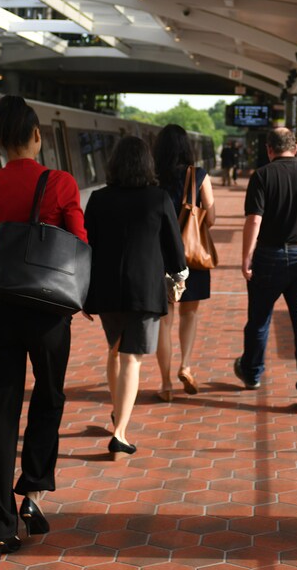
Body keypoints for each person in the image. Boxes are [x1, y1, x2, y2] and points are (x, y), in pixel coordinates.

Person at [0, 96, 88, 557]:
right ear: (37, 135)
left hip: (1, 309)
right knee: (50, 393)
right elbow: (78, 244)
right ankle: (34, 487)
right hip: (49, 311)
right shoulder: (60, 183)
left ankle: (0, 526)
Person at [83, 135, 187, 459]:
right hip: (144, 290)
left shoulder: (99, 199)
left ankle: (118, 413)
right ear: (147, 164)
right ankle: (120, 432)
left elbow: (87, 248)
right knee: (132, 358)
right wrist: (179, 278)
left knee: (114, 351)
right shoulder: (158, 198)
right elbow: (175, 249)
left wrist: (85, 294)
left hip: (106, 289)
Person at [234, 127, 297, 410]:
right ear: (295, 148)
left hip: (268, 257)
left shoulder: (262, 176)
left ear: (269, 149)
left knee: (259, 320)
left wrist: (246, 256)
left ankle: (252, 374)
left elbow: (254, 220)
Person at [152, 124, 216, 402]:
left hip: (158, 256)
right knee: (190, 314)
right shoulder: (198, 176)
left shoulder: (151, 177)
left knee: (164, 320)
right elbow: (210, 219)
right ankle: (185, 365)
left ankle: (165, 384)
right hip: (192, 256)